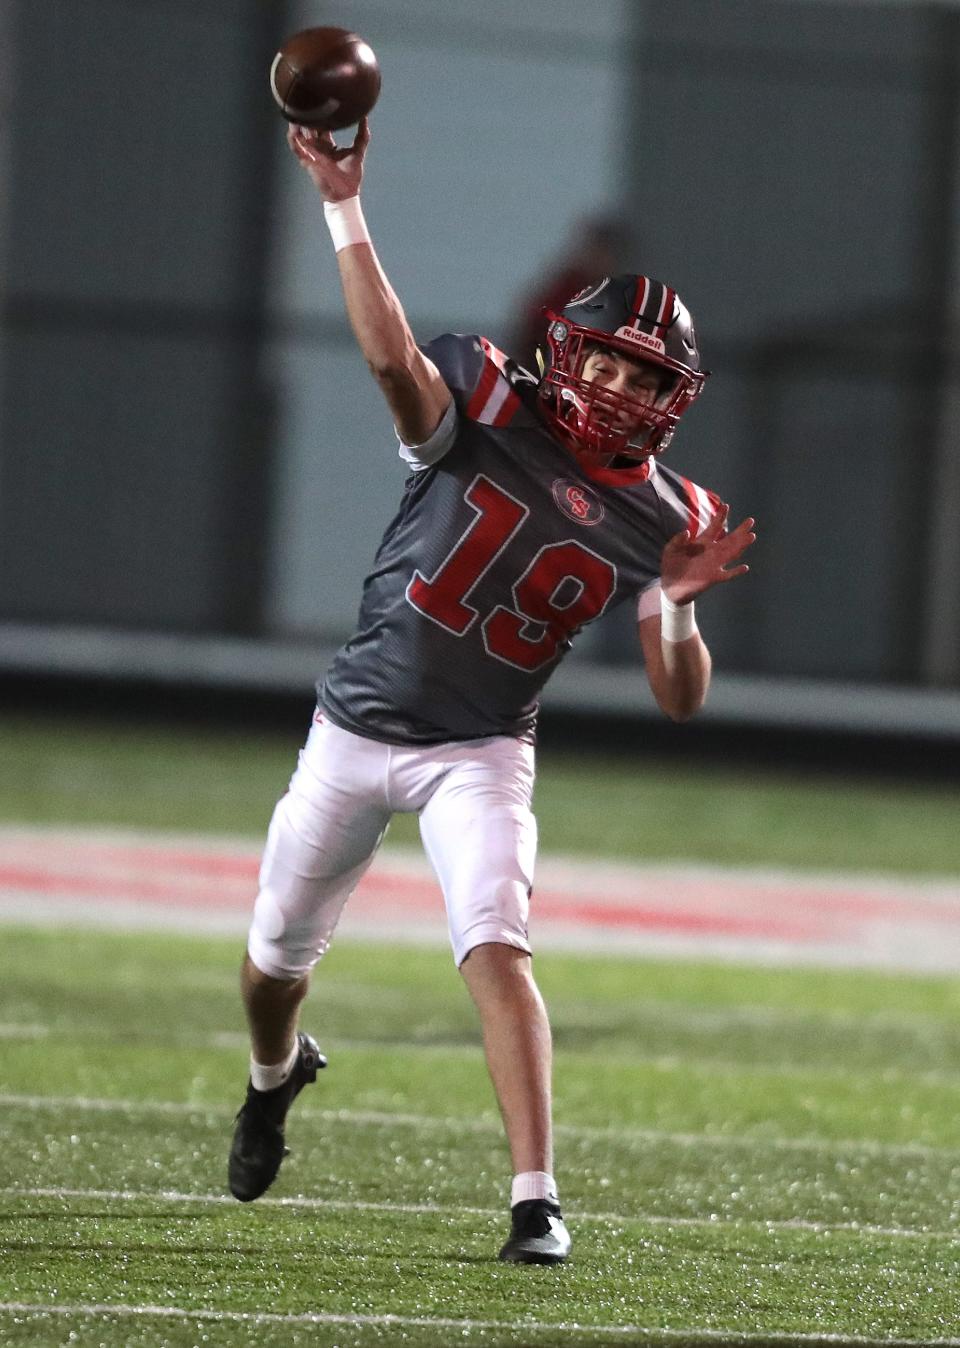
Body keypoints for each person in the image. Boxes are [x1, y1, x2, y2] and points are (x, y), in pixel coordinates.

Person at [227, 115, 756, 1266]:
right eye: (606, 359)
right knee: (270, 971)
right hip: (355, 728)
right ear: (570, 351)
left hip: (480, 745)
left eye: (641, 373)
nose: (616, 385)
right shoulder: (486, 400)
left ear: (674, 395)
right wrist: (343, 202)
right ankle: (275, 1074)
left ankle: (535, 1199)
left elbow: (680, 696)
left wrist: (676, 602)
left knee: (497, 947)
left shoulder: (673, 516)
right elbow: (388, 361)